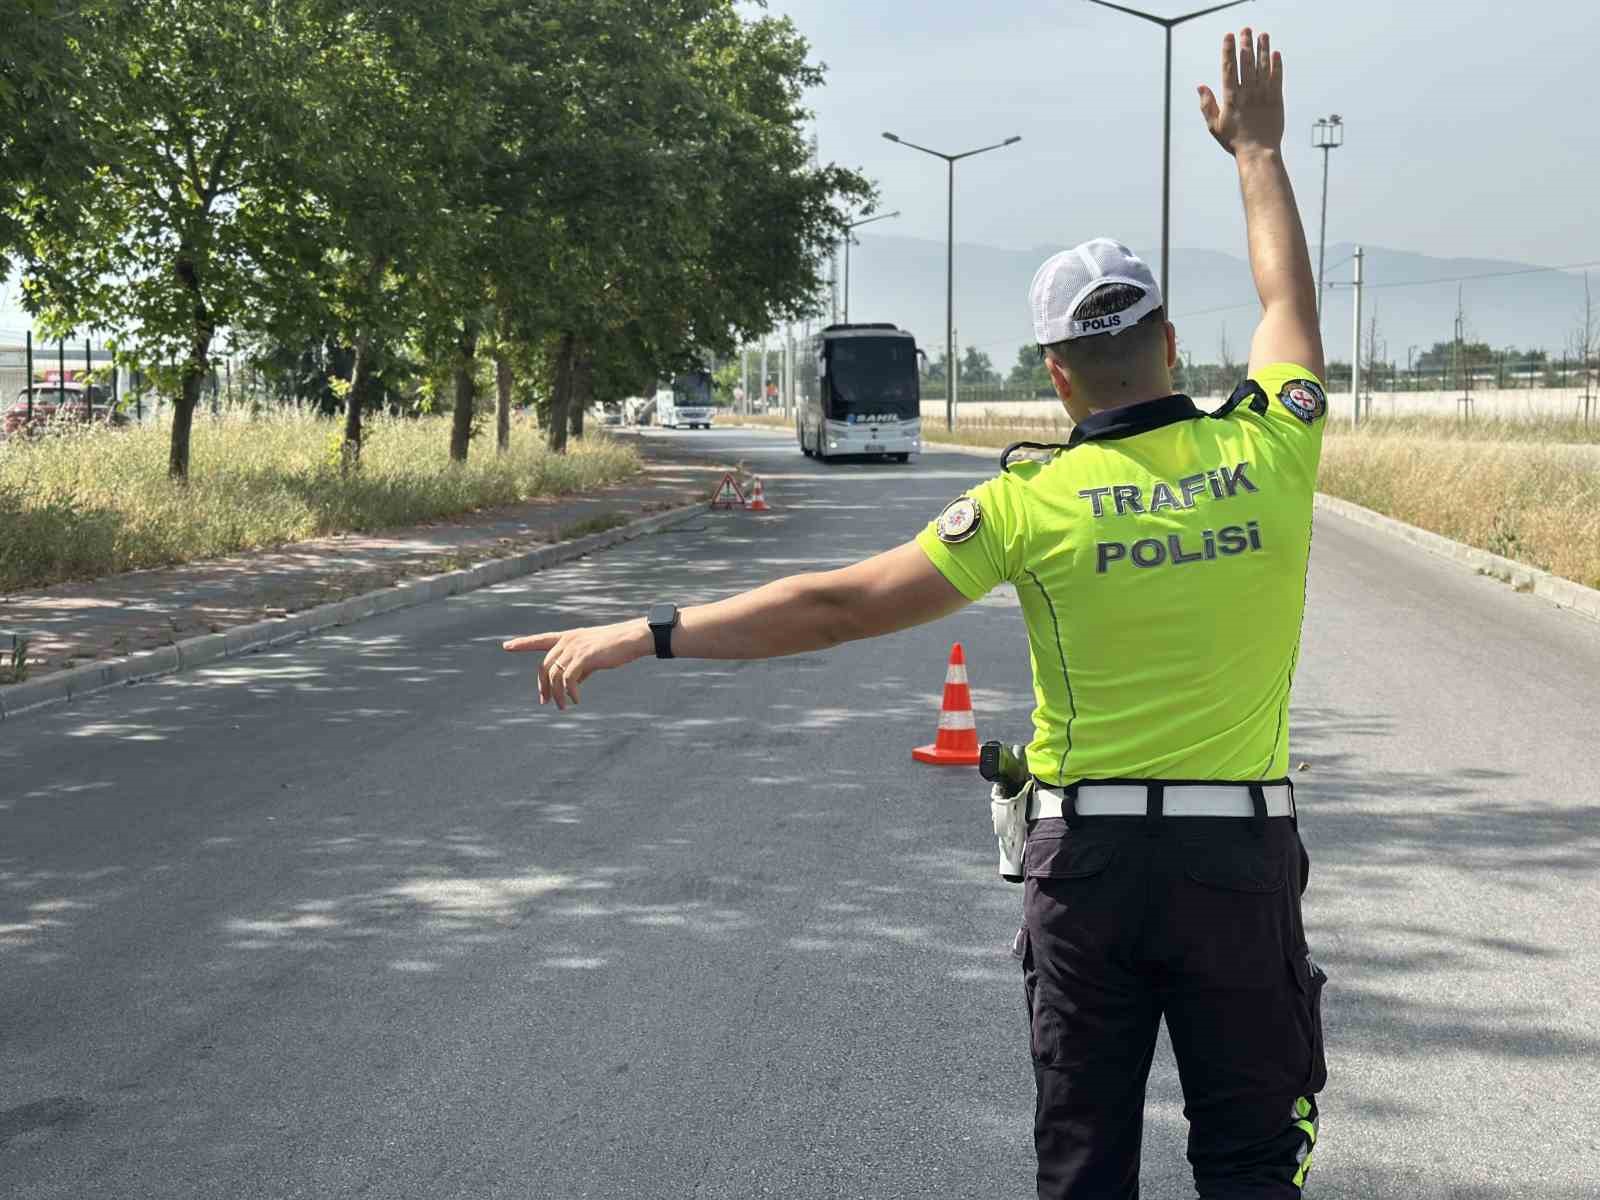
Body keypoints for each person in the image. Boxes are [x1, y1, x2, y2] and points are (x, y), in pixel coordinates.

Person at [505, 28, 1327, 1199]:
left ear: (1052, 373)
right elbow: (1287, 297)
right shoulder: (1273, 442)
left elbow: (839, 607)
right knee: (1252, 1165)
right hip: (1239, 863)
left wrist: (649, 630)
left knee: (1087, 1161)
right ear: (1173, 345)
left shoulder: (1025, 502)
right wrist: (1255, 150)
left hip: (1088, 864)